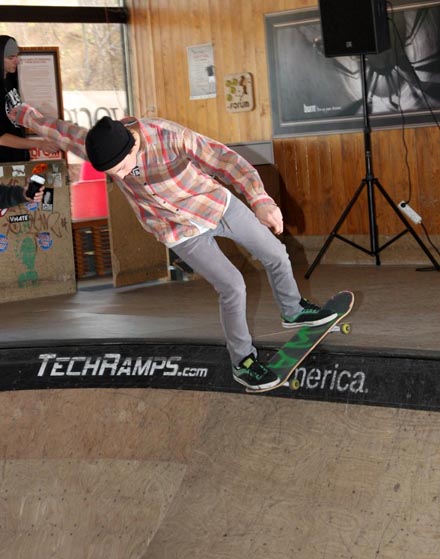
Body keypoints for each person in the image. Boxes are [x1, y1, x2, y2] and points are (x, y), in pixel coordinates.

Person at [9, 102, 337, 390]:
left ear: (132, 146)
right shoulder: (96, 144)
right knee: (233, 286)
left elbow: (228, 161)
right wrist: (19, 111)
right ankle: (243, 363)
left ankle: (293, 310)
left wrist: (260, 200)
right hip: (178, 231)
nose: (121, 176)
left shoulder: (170, 136)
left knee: (275, 252)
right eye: (113, 174)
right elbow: (57, 130)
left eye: (122, 168)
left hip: (216, 206)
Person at [0, 36, 57, 162]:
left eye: (17, 56)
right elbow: (1, 138)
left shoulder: (9, 81)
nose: (17, 61)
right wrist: (38, 144)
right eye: (11, 58)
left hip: (18, 159)